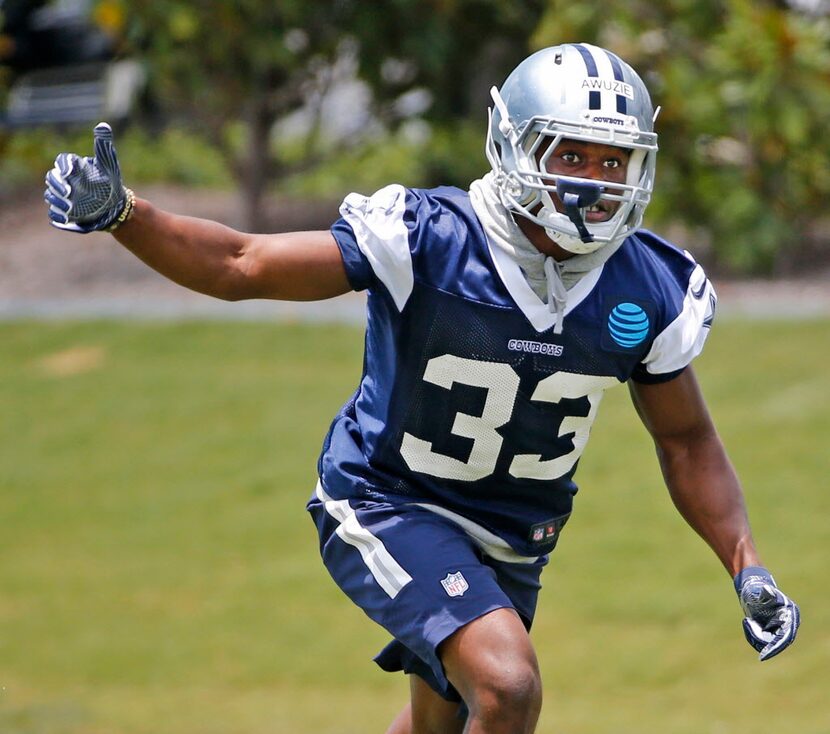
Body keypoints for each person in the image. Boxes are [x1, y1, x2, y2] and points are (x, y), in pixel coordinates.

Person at [44, 43, 799, 734]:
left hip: (513, 539)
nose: (591, 184)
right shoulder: (429, 238)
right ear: (515, 144)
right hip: (388, 500)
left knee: (445, 724)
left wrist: (747, 564)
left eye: (613, 163)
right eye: (572, 154)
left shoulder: (649, 287)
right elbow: (242, 262)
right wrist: (126, 215)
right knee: (507, 687)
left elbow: (686, 438)